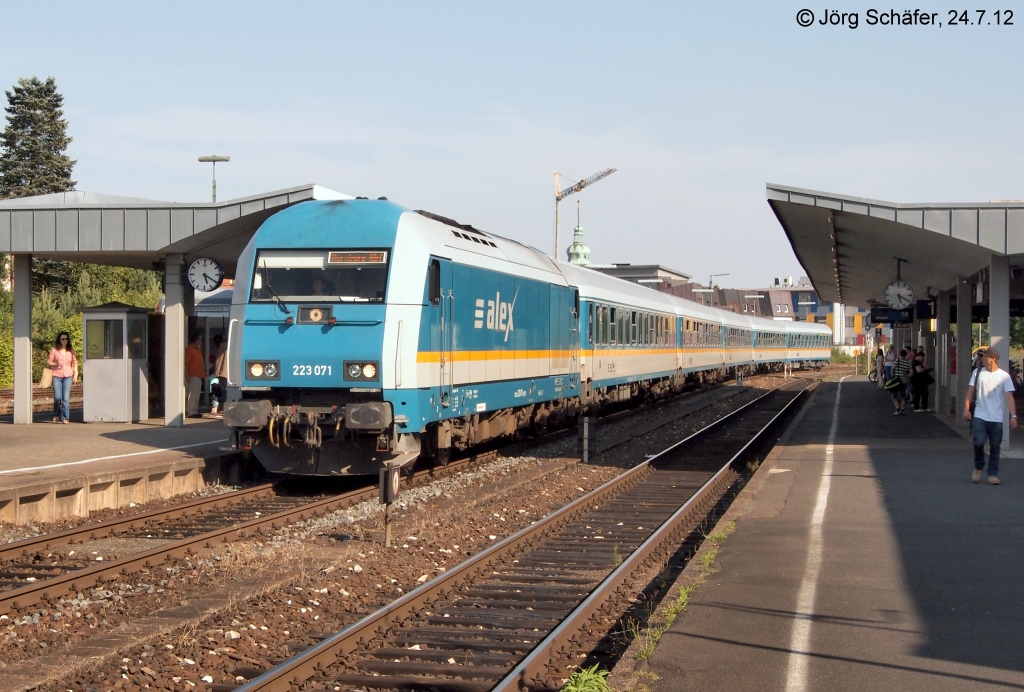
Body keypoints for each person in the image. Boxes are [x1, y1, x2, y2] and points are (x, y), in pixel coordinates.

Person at [963, 346, 1017, 485]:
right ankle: (978, 466)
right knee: (978, 442)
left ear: (992, 359)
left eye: (984, 356)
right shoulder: (977, 372)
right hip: (980, 415)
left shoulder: (1003, 376)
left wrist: (1013, 416)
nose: (981, 358)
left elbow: (1009, 396)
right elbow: (970, 391)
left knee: (995, 446)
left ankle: (993, 474)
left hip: (996, 418)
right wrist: (966, 409)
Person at [47, 332, 78, 424]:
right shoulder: (54, 351)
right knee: (57, 397)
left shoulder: (71, 351)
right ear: (59, 340)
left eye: (66, 339)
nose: (65, 341)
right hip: (57, 375)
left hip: (68, 375)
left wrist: (75, 374)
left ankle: (65, 417)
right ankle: (56, 414)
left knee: (65, 398)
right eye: (63, 339)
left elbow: (75, 362)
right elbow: (49, 362)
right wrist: (55, 364)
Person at [184, 333, 206, 419]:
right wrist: (187, 376)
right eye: (199, 339)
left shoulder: (198, 350)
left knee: (196, 394)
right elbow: (185, 363)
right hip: (192, 375)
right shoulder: (189, 350)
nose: (200, 341)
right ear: (195, 340)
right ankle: (191, 411)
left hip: (199, 375)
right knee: (192, 394)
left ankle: (195, 410)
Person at [890, 348, 912, 415]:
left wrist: (892, 377)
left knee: (894, 396)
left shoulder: (897, 361)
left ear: (899, 354)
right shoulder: (908, 363)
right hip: (903, 381)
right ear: (906, 355)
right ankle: (903, 410)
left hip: (896, 380)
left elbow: (892, 369)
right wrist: (905, 374)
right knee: (903, 396)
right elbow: (911, 373)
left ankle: (897, 409)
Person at [209, 335, 227, 417]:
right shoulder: (231, 345)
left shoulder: (222, 347)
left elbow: (217, 361)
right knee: (225, 392)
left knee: (221, 391)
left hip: (222, 373)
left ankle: (218, 408)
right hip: (229, 373)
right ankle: (226, 409)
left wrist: (216, 373)